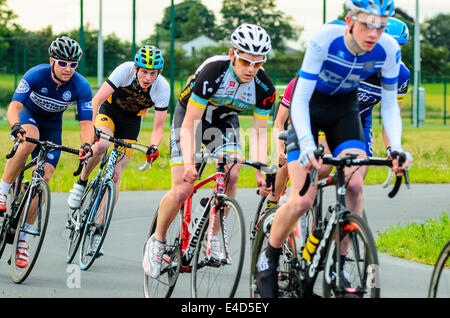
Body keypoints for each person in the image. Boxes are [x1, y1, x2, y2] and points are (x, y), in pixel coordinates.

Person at [255, 0, 413, 298]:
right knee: (302, 199)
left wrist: (397, 149)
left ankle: (338, 264)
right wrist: (305, 145)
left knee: (354, 185)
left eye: (381, 26)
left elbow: (390, 106)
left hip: (344, 111)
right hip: (310, 107)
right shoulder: (324, 38)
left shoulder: (390, 49)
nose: (374, 33)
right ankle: (269, 257)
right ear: (350, 20)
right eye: (368, 24)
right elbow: (299, 100)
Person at [142, 23, 276, 279]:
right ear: (232, 54)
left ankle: (213, 235)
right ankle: (157, 242)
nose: (251, 69)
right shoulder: (214, 71)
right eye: (246, 62)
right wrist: (190, 163)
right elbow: (191, 122)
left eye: (258, 64)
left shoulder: (264, 87)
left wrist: (261, 169)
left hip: (224, 122)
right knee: (182, 188)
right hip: (190, 119)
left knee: (233, 171)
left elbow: (259, 131)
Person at [266, 17, 411, 208]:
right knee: (322, 168)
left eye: (399, 46)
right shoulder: (354, 61)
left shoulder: (400, 74)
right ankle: (292, 201)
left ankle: (341, 220)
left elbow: (391, 115)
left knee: (356, 179)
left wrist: (392, 149)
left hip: (358, 120)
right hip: (325, 113)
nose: (393, 49)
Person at [0, 36, 94, 268]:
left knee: (45, 178)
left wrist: (87, 144)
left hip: (53, 127)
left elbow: (86, 124)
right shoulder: (36, 74)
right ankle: (2, 190)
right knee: (29, 142)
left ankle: (23, 240)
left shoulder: (81, 86)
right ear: (52, 61)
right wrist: (15, 126)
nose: (68, 69)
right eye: (63, 63)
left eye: (73, 65)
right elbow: (14, 106)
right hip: (27, 118)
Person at [66, 45, 169, 255]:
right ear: (136, 68)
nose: (148, 77)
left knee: (116, 173)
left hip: (132, 121)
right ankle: (82, 181)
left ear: (158, 73)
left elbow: (158, 127)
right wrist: (92, 128)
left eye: (153, 73)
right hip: (109, 111)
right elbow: (96, 100)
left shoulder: (162, 88)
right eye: (144, 72)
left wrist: (153, 147)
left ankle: (98, 232)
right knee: (102, 145)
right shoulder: (124, 70)